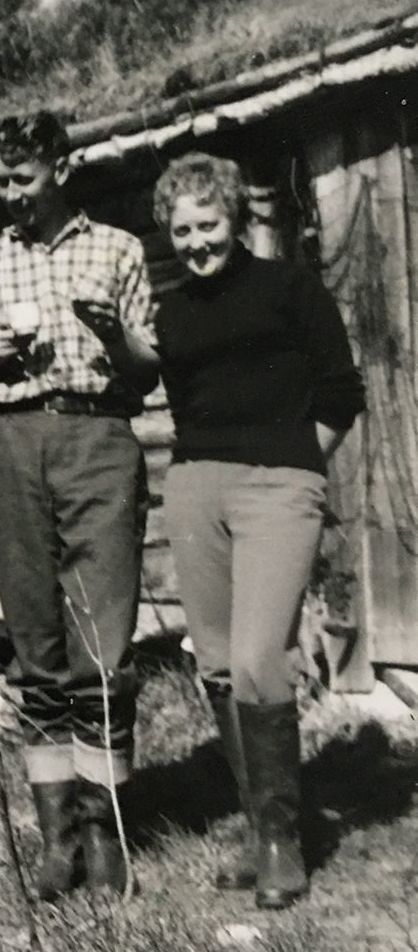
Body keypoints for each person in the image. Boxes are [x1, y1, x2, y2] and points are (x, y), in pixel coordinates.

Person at [0, 109, 159, 898]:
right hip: (12, 446)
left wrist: (113, 338)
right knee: (34, 650)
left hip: (98, 438)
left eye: (22, 179)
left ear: (61, 169)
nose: (8, 194)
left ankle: (105, 836)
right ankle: (55, 838)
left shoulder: (118, 250)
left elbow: (146, 372)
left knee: (101, 652)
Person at [152, 152, 365, 909]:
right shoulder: (171, 310)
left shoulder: (289, 289)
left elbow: (342, 391)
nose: (195, 242)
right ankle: (260, 827)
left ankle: (282, 841)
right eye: (181, 230)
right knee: (213, 662)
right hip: (194, 488)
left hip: (277, 486)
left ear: (235, 219)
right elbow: (188, 406)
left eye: (207, 225)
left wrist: (298, 463)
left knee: (253, 659)